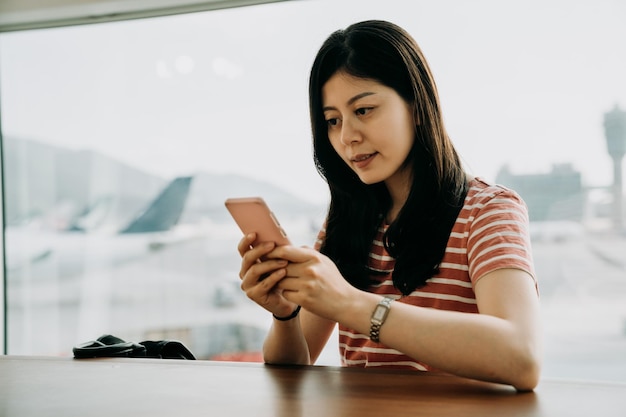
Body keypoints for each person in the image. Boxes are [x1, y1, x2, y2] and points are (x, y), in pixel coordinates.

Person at [237, 19, 541, 391]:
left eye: (363, 110)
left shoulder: (488, 211)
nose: (347, 136)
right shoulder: (347, 219)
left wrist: (350, 304)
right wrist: (284, 314)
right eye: (332, 121)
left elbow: (522, 357)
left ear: (416, 104)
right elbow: (294, 365)